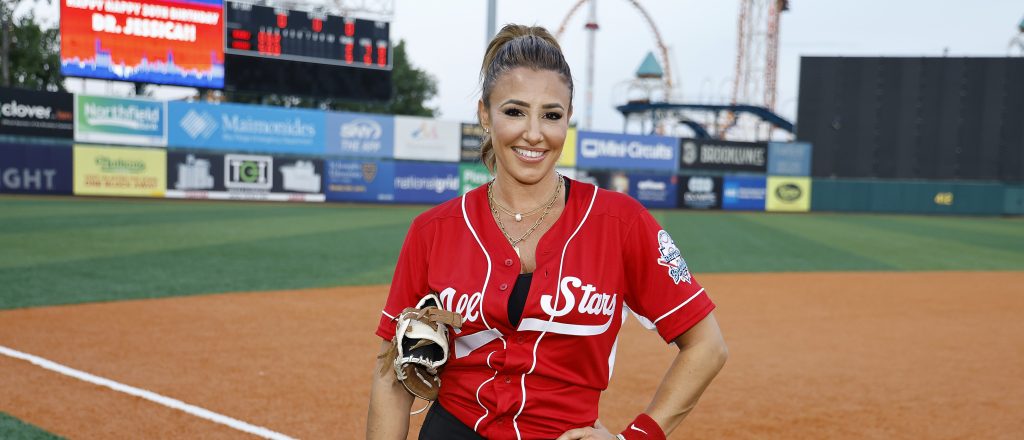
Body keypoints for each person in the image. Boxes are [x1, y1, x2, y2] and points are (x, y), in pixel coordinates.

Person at [367, 24, 727, 440]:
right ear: (485, 113)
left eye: (551, 115)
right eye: (515, 111)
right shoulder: (433, 230)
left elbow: (707, 346)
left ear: (568, 119)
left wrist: (637, 437)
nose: (534, 134)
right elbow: (391, 377)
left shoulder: (619, 222)